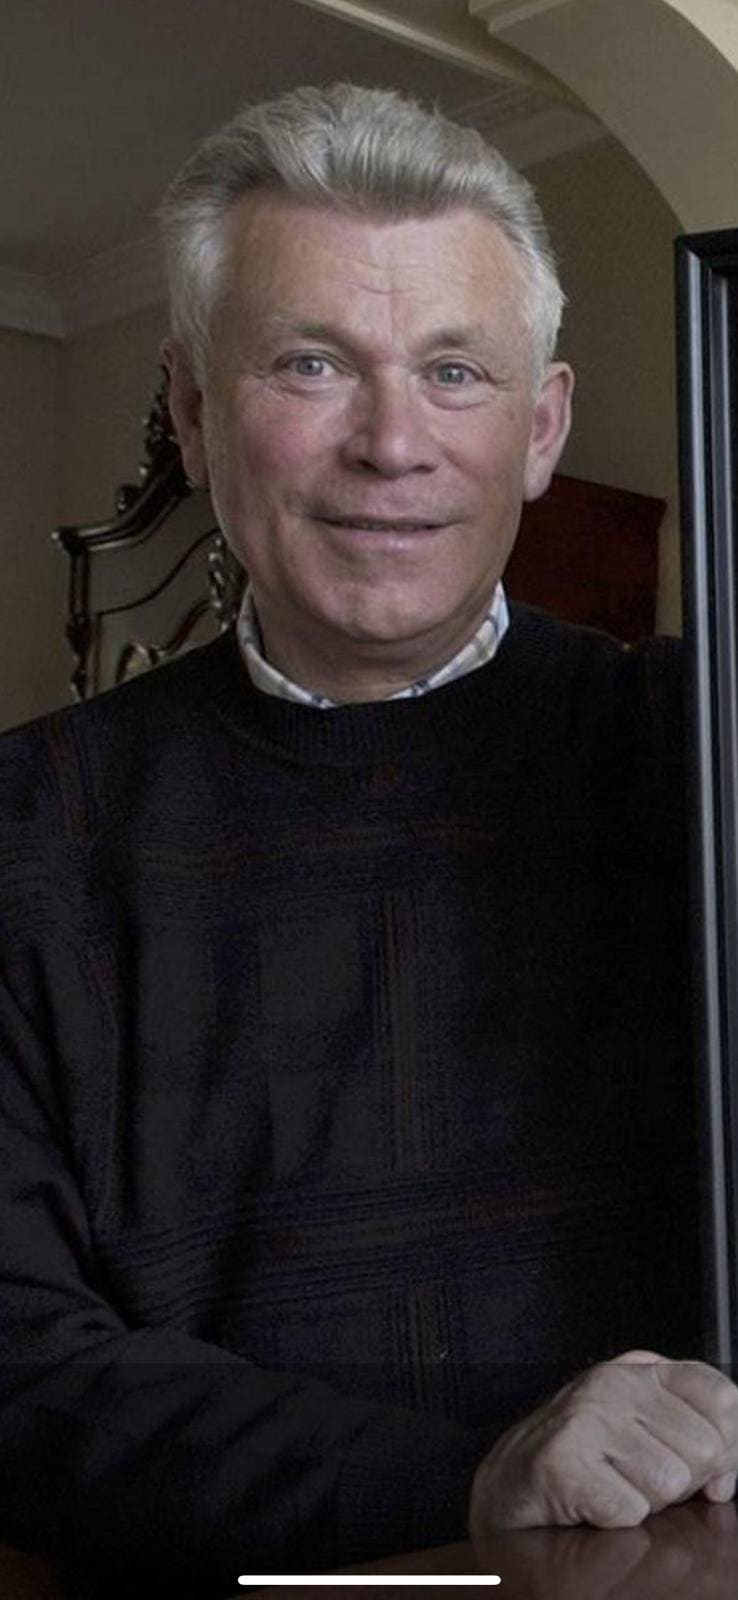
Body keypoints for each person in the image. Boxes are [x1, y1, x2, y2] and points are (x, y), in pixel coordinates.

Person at [0, 83, 735, 1600]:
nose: (393, 444)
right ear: (194, 415)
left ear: (540, 428)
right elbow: (13, 1361)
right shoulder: (25, 831)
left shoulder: (701, 757)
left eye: (455, 372)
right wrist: (465, 1489)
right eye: (312, 364)